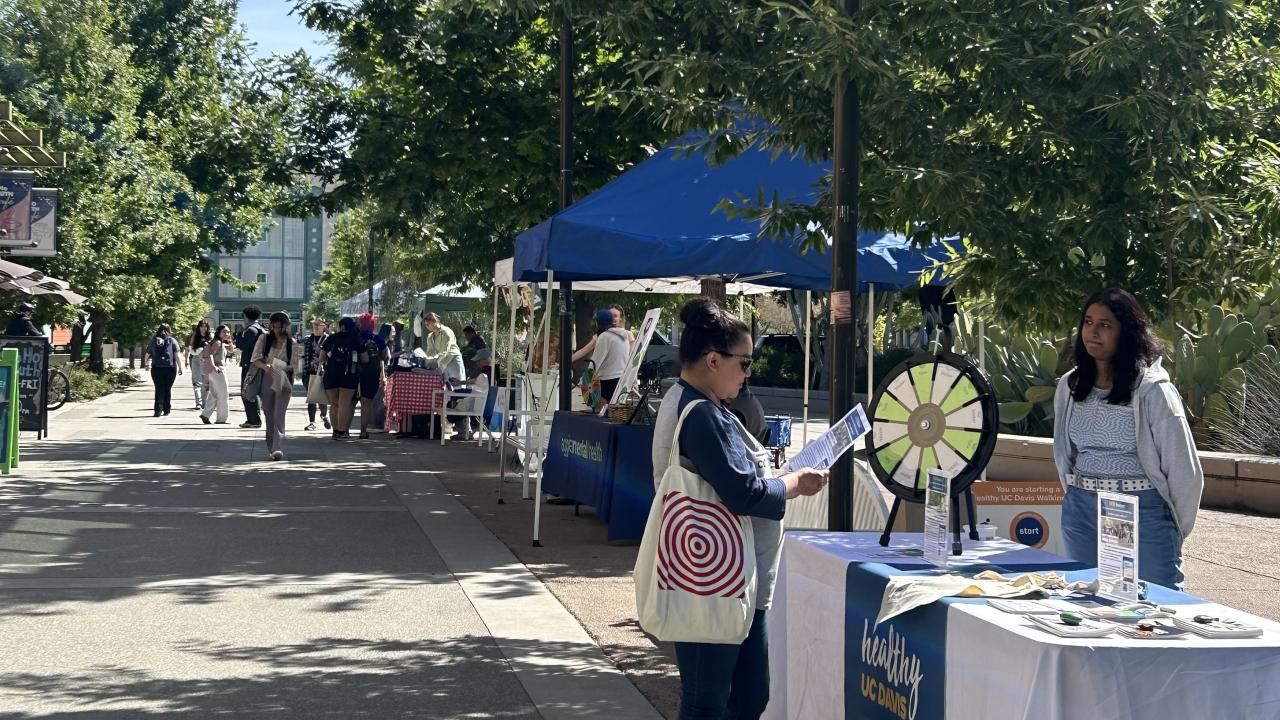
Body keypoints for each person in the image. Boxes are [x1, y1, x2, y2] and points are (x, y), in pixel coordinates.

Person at [651, 297, 827, 720]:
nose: (749, 373)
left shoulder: (697, 404)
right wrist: (794, 483)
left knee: (743, 696)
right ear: (713, 359)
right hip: (714, 583)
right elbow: (743, 493)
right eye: (745, 363)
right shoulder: (700, 413)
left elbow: (735, 481)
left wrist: (778, 477)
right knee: (709, 702)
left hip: (721, 578)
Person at [1053, 288, 1203, 589]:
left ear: (1127, 332)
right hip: (1082, 509)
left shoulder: (1153, 390)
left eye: (1105, 325)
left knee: (1158, 603)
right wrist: (1076, 496)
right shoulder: (1070, 386)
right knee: (1086, 599)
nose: (1093, 332)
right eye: (1088, 322)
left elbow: (1185, 472)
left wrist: (1173, 527)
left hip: (1142, 508)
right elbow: (1064, 455)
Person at [251, 311, 300, 460]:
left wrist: (283, 367)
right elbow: (255, 359)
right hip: (267, 376)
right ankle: (271, 445)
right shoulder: (264, 338)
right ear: (271, 326)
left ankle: (277, 447)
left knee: (279, 414)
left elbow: (296, 366)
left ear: (286, 326)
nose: (278, 330)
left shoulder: (293, 343)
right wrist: (266, 367)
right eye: (275, 326)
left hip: (284, 378)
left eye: (282, 327)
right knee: (268, 412)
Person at [320, 316, 362, 440]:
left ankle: (335, 431)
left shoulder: (332, 338)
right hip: (349, 374)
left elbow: (322, 358)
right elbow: (365, 358)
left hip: (331, 373)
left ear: (340, 326)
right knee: (345, 403)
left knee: (334, 404)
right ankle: (342, 431)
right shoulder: (356, 340)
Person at [355, 313, 388, 440]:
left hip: (354, 373)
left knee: (350, 403)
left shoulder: (355, 337)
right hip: (372, 374)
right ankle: (363, 431)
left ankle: (343, 429)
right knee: (366, 403)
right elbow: (385, 357)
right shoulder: (377, 339)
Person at [590, 308, 631, 403]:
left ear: (598, 323)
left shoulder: (605, 337)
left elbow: (596, 362)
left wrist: (585, 379)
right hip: (620, 379)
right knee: (614, 414)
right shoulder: (624, 335)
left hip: (607, 380)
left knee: (601, 412)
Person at [142, 324, 184, 417]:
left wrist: (146, 364)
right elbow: (176, 356)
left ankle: (157, 410)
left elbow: (147, 354)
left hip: (156, 368)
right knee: (167, 389)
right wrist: (180, 367)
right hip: (170, 368)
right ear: (169, 330)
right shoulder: (172, 341)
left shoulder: (153, 341)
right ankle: (166, 409)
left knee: (159, 388)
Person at [236, 305, 266, 429]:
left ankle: (253, 419)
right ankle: (255, 418)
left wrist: (238, 335)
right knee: (252, 391)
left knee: (246, 391)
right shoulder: (260, 328)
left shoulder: (250, 330)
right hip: (257, 364)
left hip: (250, 365)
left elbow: (243, 346)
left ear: (247, 316)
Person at [199, 325, 235, 424]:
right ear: (219, 332)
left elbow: (232, 350)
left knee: (214, 393)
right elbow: (211, 354)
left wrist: (230, 340)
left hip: (214, 371)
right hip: (218, 370)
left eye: (228, 332)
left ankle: (205, 414)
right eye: (224, 332)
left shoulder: (220, 342)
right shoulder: (218, 342)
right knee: (223, 394)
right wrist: (214, 366)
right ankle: (221, 419)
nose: (227, 334)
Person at [301, 318, 330, 431]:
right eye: (315, 325)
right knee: (311, 398)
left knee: (321, 398)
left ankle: (324, 415)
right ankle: (312, 422)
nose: (317, 326)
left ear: (324, 326)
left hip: (323, 373)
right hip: (308, 372)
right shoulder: (307, 340)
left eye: (319, 325)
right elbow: (300, 354)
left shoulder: (328, 339)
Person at [423, 312, 465, 384]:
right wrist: (427, 357)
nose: (427, 326)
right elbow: (430, 350)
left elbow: (445, 350)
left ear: (435, 321)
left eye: (428, 324)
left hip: (453, 360)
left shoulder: (446, 332)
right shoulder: (430, 336)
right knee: (445, 387)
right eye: (426, 325)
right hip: (442, 361)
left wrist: (434, 358)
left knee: (457, 386)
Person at [187, 320, 212, 410]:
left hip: (206, 360)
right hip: (196, 360)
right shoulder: (195, 336)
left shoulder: (210, 336)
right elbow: (190, 348)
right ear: (199, 327)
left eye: (205, 326)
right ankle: (199, 403)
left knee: (206, 382)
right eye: (202, 326)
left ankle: (205, 403)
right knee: (197, 382)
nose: (204, 328)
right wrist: (197, 352)